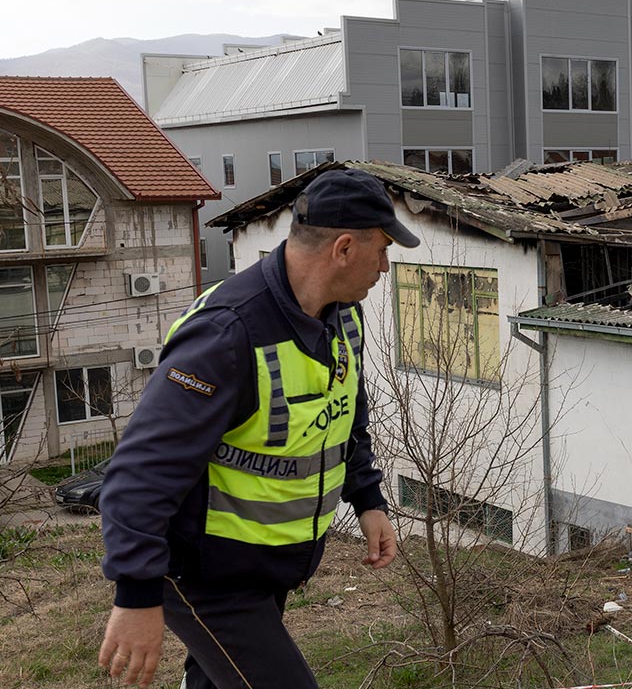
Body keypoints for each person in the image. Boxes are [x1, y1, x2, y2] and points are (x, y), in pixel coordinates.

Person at [97, 168, 420, 689]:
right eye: (381, 250)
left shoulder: (343, 319)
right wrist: (136, 595)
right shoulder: (228, 334)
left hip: (265, 567)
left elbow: (343, 417)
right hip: (205, 574)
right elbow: (140, 472)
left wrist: (368, 498)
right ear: (342, 249)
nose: (385, 266)